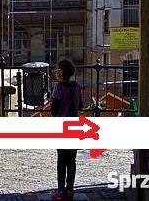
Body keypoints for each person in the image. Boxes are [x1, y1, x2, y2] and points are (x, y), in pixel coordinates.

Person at [51, 59, 83, 201]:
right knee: (72, 160)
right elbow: (80, 105)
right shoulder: (76, 86)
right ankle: (70, 189)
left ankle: (60, 190)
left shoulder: (58, 87)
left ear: (61, 72)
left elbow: (54, 110)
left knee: (61, 160)